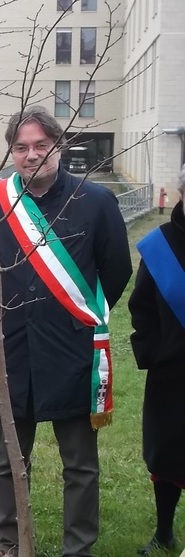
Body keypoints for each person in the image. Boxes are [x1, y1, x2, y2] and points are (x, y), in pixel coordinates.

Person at [0, 106, 132, 557]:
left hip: (72, 352)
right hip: (13, 350)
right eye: (21, 147)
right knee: (7, 461)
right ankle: (9, 542)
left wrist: (79, 317)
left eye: (40, 145)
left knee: (80, 465)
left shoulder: (96, 201)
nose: (31, 155)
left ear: (58, 146)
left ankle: (79, 547)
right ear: (12, 152)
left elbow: (116, 269)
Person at [128, 164, 185, 556]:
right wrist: (153, 352)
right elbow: (141, 306)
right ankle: (164, 532)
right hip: (173, 373)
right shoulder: (160, 244)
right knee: (168, 454)